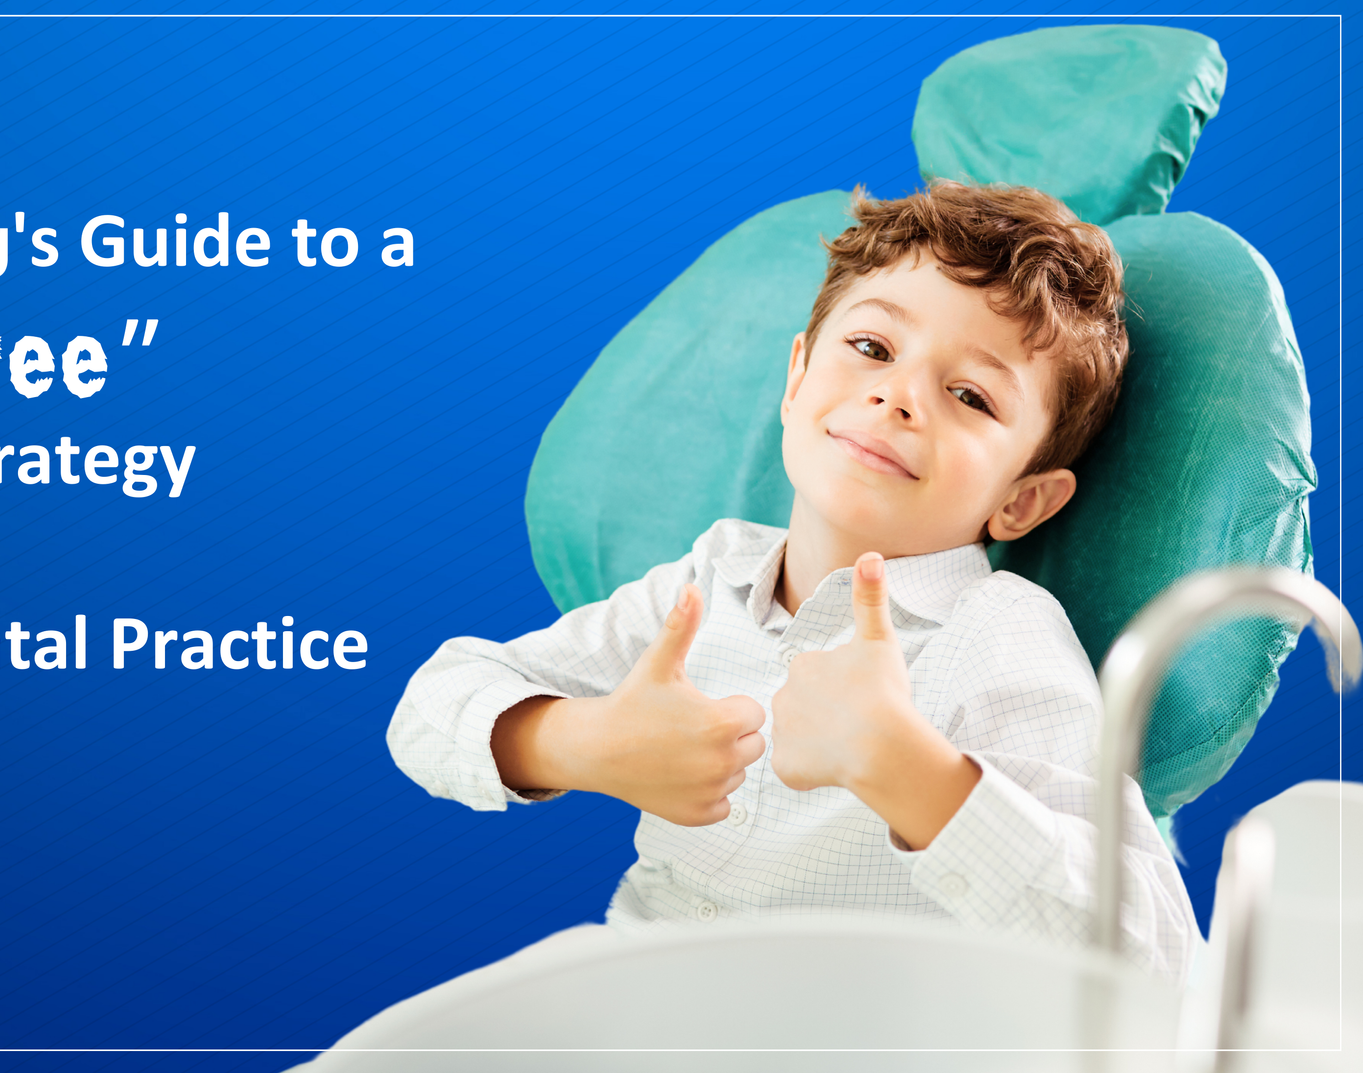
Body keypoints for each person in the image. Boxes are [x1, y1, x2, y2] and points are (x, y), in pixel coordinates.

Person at [385, 181, 1200, 996]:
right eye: (874, 349)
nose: (898, 397)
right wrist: (581, 744)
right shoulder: (707, 580)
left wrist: (909, 771)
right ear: (797, 378)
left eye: (970, 397)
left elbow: (1153, 968)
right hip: (628, 1006)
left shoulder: (996, 637)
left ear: (1022, 500)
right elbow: (426, 709)